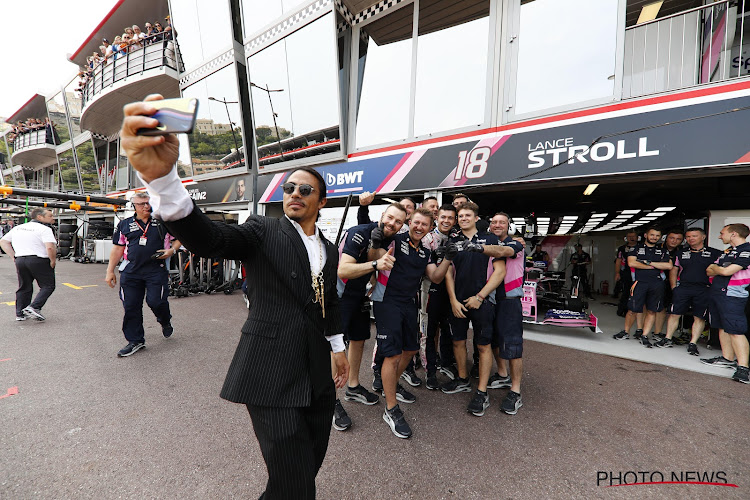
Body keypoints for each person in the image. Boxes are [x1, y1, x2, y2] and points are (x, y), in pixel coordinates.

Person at [120, 94, 349, 498]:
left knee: (305, 466)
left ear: (321, 200)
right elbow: (211, 240)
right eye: (290, 186)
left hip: (316, 373)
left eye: (306, 189)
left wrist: (337, 346)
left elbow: (327, 300)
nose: (295, 192)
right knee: (297, 483)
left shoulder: (329, 248)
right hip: (269, 371)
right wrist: (165, 184)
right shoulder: (264, 230)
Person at [370, 208, 454, 438]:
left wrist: (448, 258)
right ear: (410, 222)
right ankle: (391, 408)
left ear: (429, 227)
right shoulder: (395, 240)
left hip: (408, 303)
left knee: (411, 349)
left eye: (424, 225)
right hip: (386, 301)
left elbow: (436, 277)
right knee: (393, 355)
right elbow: (374, 258)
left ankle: (391, 386)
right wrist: (376, 244)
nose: (419, 227)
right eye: (416, 222)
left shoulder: (425, 251)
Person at [335, 203, 406, 430]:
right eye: (390, 218)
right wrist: (375, 265)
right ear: (382, 215)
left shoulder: (389, 240)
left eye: (398, 222)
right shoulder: (359, 232)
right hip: (340, 294)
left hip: (360, 295)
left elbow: (377, 263)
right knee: (335, 345)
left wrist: (373, 275)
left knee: (358, 339)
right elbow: (343, 270)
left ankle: (353, 386)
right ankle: (329, 399)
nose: (392, 224)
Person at [106, 192, 182, 357]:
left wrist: (171, 251)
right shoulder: (124, 225)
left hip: (156, 270)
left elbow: (180, 238)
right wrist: (110, 270)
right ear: (134, 206)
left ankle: (164, 320)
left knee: (156, 302)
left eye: (148, 203)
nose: (146, 206)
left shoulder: (163, 222)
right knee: (131, 306)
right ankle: (136, 341)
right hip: (131, 272)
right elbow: (118, 248)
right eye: (142, 204)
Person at [442, 202, 505, 396]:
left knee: (483, 345)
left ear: (476, 218)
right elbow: (448, 273)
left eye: (467, 215)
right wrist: (453, 300)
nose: (463, 219)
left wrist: (480, 296)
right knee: (458, 342)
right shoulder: (452, 241)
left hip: (482, 301)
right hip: (458, 302)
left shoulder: (490, 239)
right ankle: (462, 379)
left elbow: (500, 271)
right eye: (460, 216)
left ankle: (481, 391)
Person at [655, 228, 721, 353]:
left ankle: (692, 343)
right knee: (674, 314)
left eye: (694, 236)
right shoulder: (681, 253)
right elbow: (674, 270)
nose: (691, 239)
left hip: (704, 289)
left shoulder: (715, 253)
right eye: (689, 236)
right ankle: (668, 338)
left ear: (703, 237)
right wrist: (674, 287)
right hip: (684, 288)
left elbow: (720, 271)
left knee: (699, 317)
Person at [485, 212, 526, 415]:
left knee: (512, 344)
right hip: (492, 299)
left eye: (502, 222)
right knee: (493, 340)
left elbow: (503, 252)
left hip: (509, 300)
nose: (497, 225)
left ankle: (515, 390)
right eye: (494, 222)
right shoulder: (489, 243)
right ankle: (502, 374)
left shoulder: (516, 245)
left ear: (508, 225)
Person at [702, 224, 750, 384]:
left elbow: (725, 272)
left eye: (722, 233)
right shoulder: (727, 252)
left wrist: (720, 268)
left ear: (734, 234)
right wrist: (719, 268)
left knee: (736, 330)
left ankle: (743, 368)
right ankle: (727, 358)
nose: (719, 236)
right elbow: (709, 270)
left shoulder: (747, 250)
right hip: (717, 292)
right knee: (722, 326)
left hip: (733, 295)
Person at [613, 227, 673, 346]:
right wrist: (655, 266)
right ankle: (626, 332)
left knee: (652, 311)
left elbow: (669, 266)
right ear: (646, 235)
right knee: (632, 309)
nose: (654, 237)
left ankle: (644, 335)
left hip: (657, 283)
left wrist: (648, 263)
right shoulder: (635, 248)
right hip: (639, 282)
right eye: (652, 235)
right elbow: (631, 263)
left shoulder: (663, 251)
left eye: (657, 235)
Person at [422, 204, 459, 389]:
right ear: (437, 218)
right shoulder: (427, 238)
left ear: (455, 220)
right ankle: (430, 372)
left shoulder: (455, 237)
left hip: (450, 291)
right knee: (428, 333)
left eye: (450, 218)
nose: (446, 221)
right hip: (430, 291)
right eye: (443, 217)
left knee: (447, 329)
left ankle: (446, 363)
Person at [0, 208, 57, 321]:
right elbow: (50, 247)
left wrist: (14, 256)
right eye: (50, 216)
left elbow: (3, 241)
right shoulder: (44, 229)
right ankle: (34, 307)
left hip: (21, 259)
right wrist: (52, 260)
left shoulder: (18, 228)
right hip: (39, 259)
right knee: (48, 285)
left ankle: (20, 313)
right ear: (40, 217)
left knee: (24, 286)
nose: (53, 218)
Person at [653, 229, 685, 338]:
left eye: (678, 239)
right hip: (655, 281)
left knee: (666, 308)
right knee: (651, 307)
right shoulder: (656, 248)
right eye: (672, 238)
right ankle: (643, 331)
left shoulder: (683, 251)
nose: (674, 241)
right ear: (666, 238)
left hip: (675, 283)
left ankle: (658, 333)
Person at [614, 231, 639, 316]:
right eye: (629, 236)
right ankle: (622, 310)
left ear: (637, 237)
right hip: (626, 273)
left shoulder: (641, 247)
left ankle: (635, 311)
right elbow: (618, 260)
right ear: (626, 238)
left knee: (637, 292)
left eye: (633, 236)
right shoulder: (622, 248)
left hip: (639, 273)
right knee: (626, 292)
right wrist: (617, 273)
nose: (631, 238)